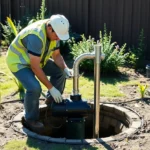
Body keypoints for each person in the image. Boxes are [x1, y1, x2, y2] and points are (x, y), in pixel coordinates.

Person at [6, 14, 72, 131]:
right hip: (18, 62)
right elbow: (35, 67)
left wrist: (65, 68)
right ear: (50, 28)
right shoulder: (35, 36)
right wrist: (51, 88)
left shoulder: (54, 32)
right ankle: (30, 119)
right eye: (57, 36)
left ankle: (52, 102)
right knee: (34, 88)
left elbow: (56, 56)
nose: (58, 38)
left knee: (60, 72)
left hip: (38, 59)